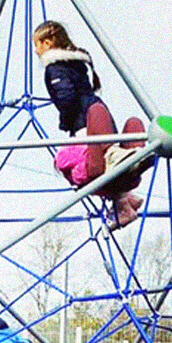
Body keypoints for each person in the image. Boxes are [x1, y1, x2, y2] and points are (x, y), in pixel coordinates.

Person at [32, 19, 149, 230]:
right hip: (101, 121)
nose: (36, 50)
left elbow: (66, 98)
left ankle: (121, 157)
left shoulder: (54, 69)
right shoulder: (78, 66)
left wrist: (66, 122)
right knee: (128, 123)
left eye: (37, 45)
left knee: (106, 130)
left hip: (86, 125)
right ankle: (134, 161)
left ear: (48, 43)